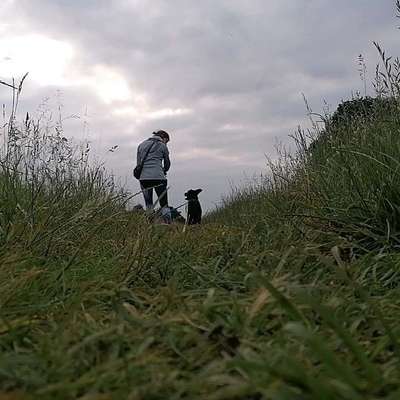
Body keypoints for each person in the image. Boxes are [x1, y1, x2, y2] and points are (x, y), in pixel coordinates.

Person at [136, 130, 172, 223]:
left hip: (144, 179)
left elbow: (138, 164)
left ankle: (149, 223)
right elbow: (167, 163)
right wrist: (164, 170)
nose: (166, 143)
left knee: (149, 204)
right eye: (166, 141)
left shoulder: (141, 145)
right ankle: (168, 224)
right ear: (163, 138)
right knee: (164, 204)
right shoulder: (162, 146)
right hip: (159, 177)